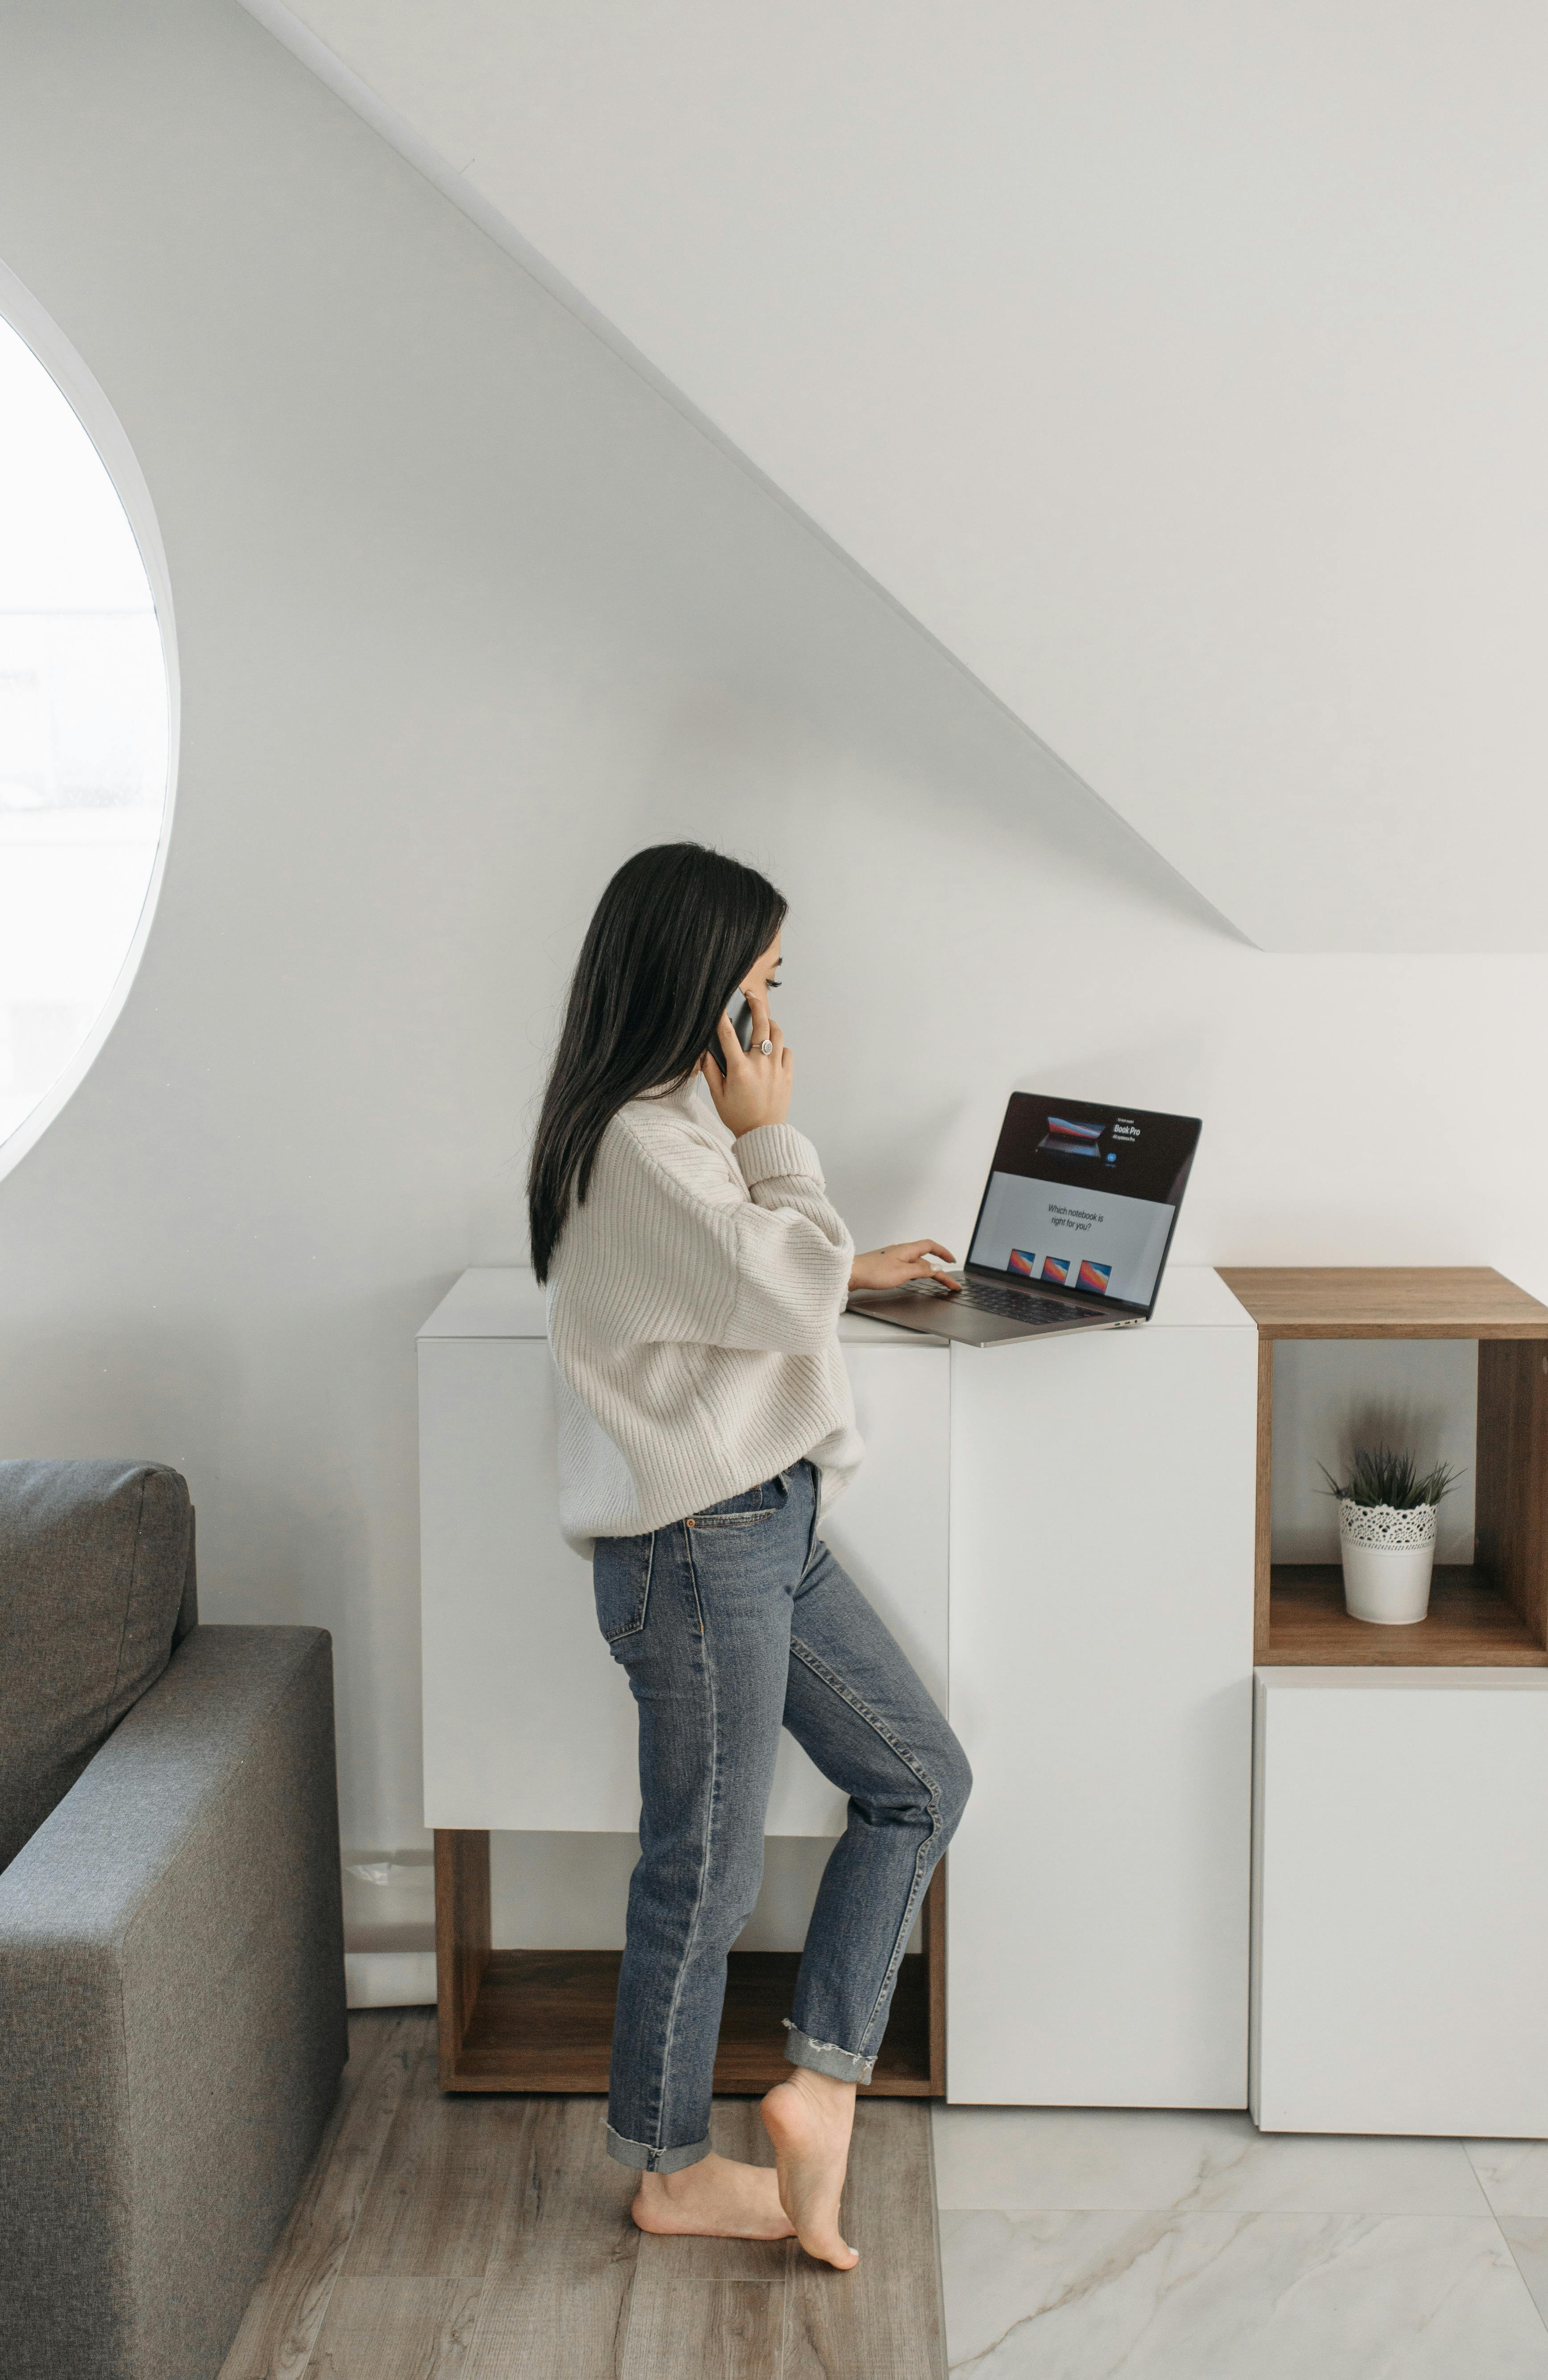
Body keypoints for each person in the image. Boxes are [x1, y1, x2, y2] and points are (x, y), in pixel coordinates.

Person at [527, 841, 972, 2270]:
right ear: (700, 986)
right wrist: (781, 1142)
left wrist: (853, 1265)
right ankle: (666, 2169)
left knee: (919, 1781)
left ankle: (820, 2086)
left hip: (763, 1522)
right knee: (703, 1875)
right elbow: (768, 1277)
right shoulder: (652, 1142)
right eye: (763, 983)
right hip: (701, 1546)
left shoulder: (661, 1126)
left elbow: (754, 1278)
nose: (776, 1018)